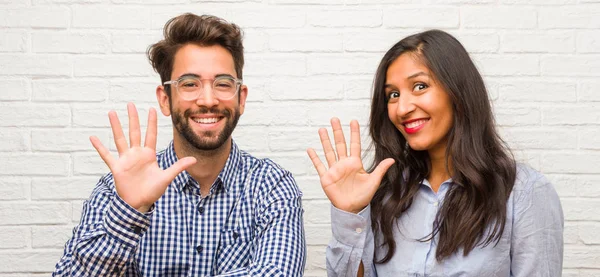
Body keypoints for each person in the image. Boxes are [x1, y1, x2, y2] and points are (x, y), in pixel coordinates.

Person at [53, 13, 305, 277]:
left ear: (241, 98)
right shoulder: (116, 189)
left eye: (222, 84)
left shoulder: (272, 185)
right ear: (165, 99)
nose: (208, 99)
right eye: (189, 84)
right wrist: (128, 214)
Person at [307, 30, 563, 277]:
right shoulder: (386, 193)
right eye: (393, 95)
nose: (403, 108)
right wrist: (350, 213)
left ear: (457, 92)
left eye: (419, 86)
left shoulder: (525, 193)